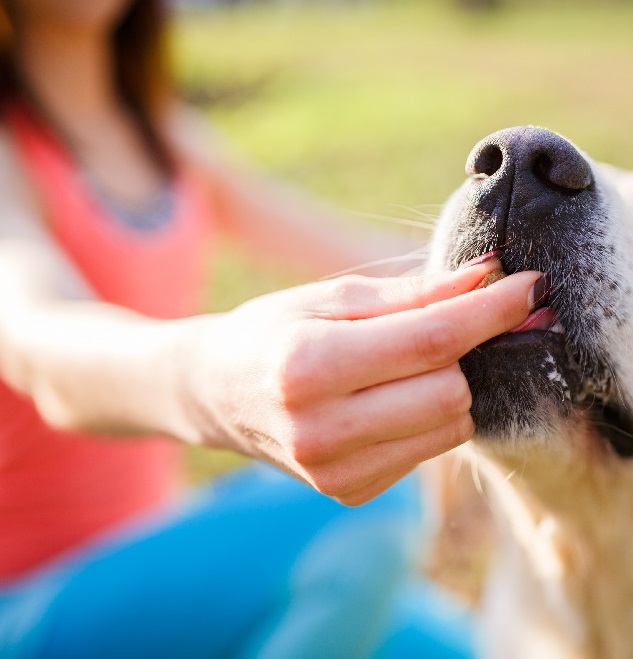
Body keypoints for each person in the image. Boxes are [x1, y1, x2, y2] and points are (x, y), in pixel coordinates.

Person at [0, 1, 546, 656]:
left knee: (458, 647)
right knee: (375, 515)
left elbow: (356, 249)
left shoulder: (165, 137)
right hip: (29, 606)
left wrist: (524, 263)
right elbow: (45, 346)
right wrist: (211, 380)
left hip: (162, 558)